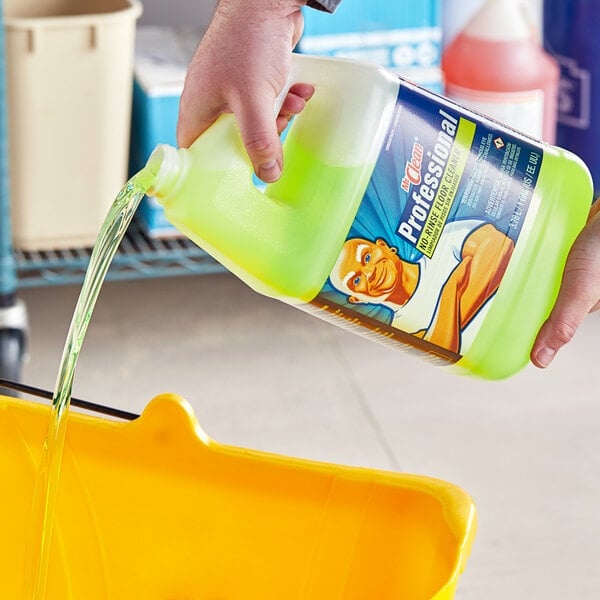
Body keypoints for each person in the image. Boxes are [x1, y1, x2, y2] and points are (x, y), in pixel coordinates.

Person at [176, 0, 600, 370]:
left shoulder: (419, 319)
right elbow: (491, 250)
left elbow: (493, 247)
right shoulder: (415, 313)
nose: (364, 274)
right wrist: (257, 9)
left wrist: (454, 296)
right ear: (358, 304)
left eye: (359, 259)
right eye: (356, 284)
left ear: (384, 246)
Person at [328, 221, 514, 354]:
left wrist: (447, 327)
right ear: (358, 299)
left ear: (384, 246)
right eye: (357, 281)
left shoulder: (445, 239)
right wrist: (450, 293)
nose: (369, 272)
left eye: (367, 257)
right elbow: (442, 350)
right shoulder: (401, 331)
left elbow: (499, 246)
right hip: (509, 344)